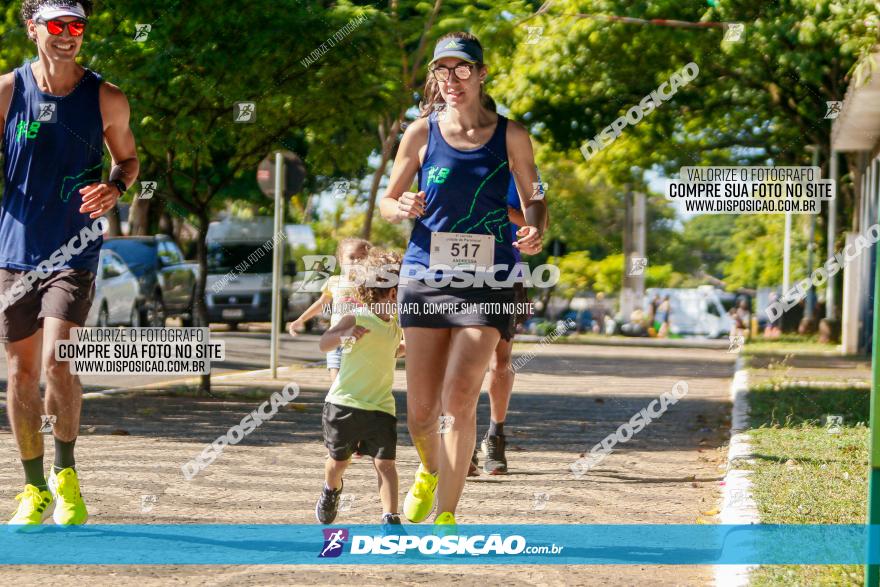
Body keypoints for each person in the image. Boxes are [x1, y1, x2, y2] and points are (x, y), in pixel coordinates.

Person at [380, 32, 546, 526]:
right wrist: (400, 205)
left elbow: (534, 192)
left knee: (459, 397)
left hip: (490, 277)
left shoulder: (512, 135)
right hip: (424, 276)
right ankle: (430, 470)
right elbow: (388, 200)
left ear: (481, 74)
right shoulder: (420, 132)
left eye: (462, 69)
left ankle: (446, 516)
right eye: (442, 71)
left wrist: (536, 226)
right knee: (421, 412)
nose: (451, 80)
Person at [0, 0, 139, 526]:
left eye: (75, 26)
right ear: (33, 29)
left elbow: (127, 158)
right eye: (56, 26)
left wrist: (115, 186)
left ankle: (66, 473)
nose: (67, 35)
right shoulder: (8, 92)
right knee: (20, 372)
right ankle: (32, 487)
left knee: (59, 359)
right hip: (14, 250)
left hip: (74, 249)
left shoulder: (106, 96)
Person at [314, 249, 405, 527]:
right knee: (338, 463)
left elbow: (391, 349)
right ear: (392, 294)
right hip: (344, 405)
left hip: (381, 407)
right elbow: (324, 344)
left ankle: (390, 518)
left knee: (385, 464)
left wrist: (411, 350)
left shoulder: (396, 325)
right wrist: (342, 333)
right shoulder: (356, 317)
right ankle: (331, 489)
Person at [470, 165, 547, 476]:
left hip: (503, 272)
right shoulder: (450, 157)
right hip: (452, 271)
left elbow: (540, 220)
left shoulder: (522, 169)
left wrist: (501, 210)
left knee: (499, 361)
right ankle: (461, 442)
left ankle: (495, 436)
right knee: (459, 362)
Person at [288, 238, 371, 382]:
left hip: (359, 338)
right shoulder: (334, 282)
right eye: (351, 257)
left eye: (362, 257)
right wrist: (301, 319)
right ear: (340, 259)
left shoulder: (370, 285)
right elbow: (321, 303)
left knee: (356, 380)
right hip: (336, 337)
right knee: (336, 383)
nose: (357, 261)